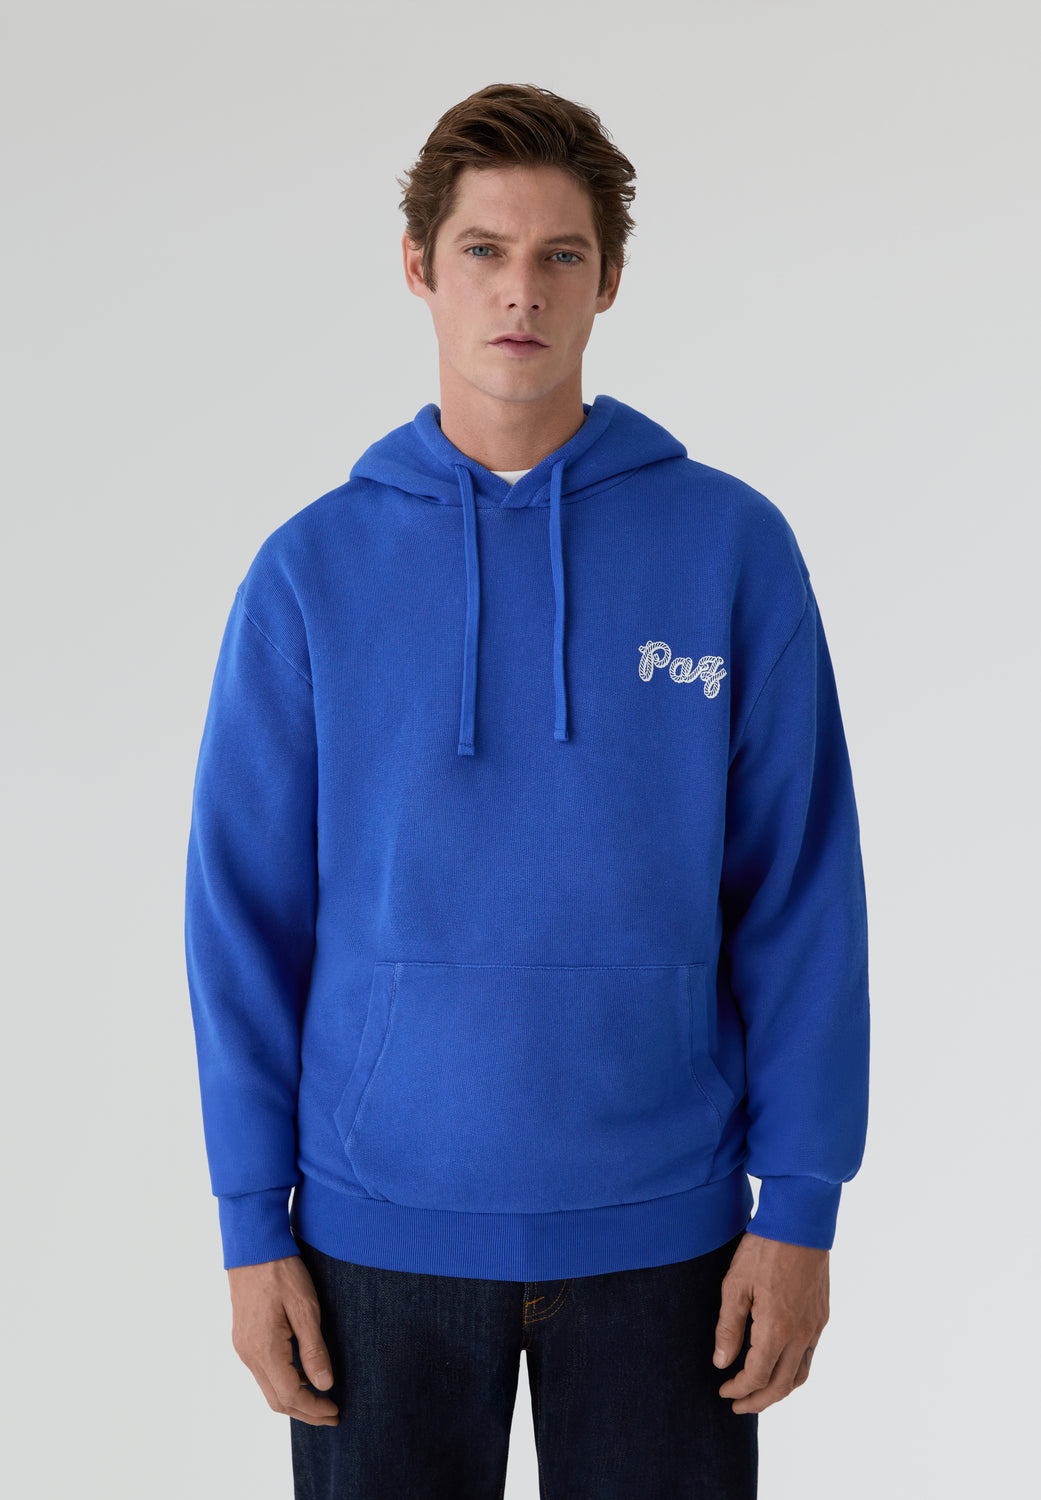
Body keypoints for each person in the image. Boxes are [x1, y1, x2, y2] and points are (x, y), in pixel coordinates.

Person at [184, 82, 870, 1499]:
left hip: (670, 1237)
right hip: (374, 1242)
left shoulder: (730, 549)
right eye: (485, 250)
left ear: (609, 280)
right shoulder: (310, 573)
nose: (521, 291)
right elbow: (240, 922)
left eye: (561, 254)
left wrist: (801, 1205)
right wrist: (251, 1226)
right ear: (419, 266)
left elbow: (801, 893)